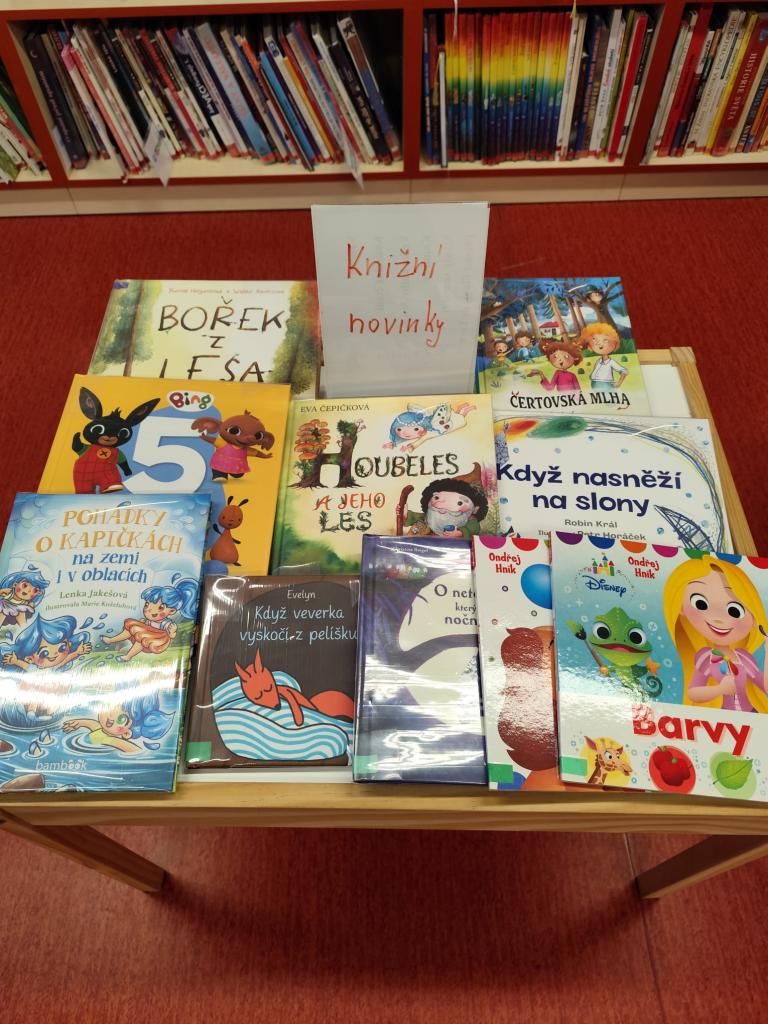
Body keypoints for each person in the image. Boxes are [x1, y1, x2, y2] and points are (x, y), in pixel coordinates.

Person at [663, 555, 768, 712]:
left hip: (751, 715)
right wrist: (719, 690)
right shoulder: (708, 657)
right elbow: (693, 693)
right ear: (682, 608)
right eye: (700, 603)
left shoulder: (744, 658)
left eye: (735, 610)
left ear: (754, 619)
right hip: (720, 717)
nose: (718, 617)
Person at [101, 575, 198, 662]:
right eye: (147, 604)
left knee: (141, 637)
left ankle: (128, 656)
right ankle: (111, 640)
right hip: (146, 635)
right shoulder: (150, 620)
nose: (149, 610)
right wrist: (144, 623)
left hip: (157, 640)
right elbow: (148, 626)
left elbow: (171, 636)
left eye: (160, 607)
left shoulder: (167, 623)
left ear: (172, 611)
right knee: (131, 626)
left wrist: (172, 632)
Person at [63, 693, 174, 754]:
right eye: (110, 707)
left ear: (127, 731)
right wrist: (79, 723)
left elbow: (135, 750)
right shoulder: (101, 730)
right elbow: (93, 724)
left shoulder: (113, 740)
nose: (111, 715)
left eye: (121, 719)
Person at [404, 479, 488, 539]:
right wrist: (406, 515)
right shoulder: (429, 517)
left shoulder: (471, 520)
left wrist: (460, 532)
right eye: (437, 498)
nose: (444, 506)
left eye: (459, 503)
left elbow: (473, 527)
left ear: (475, 509)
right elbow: (418, 517)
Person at [578, 322, 627, 390]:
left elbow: (624, 371)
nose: (599, 343)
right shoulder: (598, 361)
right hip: (594, 384)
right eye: (594, 339)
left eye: (605, 340)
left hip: (606, 385)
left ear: (614, 343)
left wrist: (619, 383)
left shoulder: (611, 362)